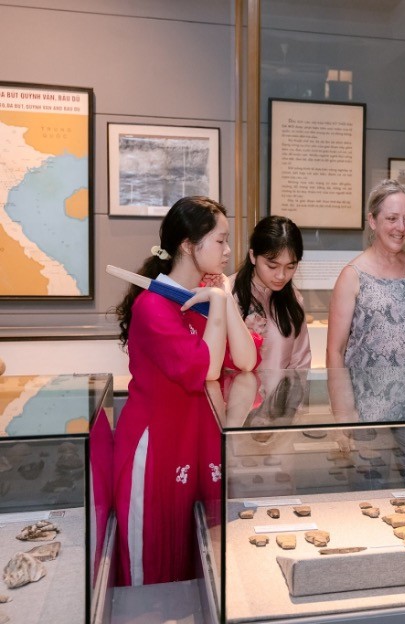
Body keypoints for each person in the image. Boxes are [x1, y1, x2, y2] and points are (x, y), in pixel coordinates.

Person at [113, 196, 259, 586]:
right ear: (188, 245)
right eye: (220, 241)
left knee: (201, 559)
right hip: (158, 445)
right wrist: (215, 306)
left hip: (196, 438)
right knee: (156, 559)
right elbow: (207, 368)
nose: (228, 252)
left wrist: (224, 299)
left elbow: (246, 361)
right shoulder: (154, 307)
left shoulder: (201, 296)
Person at [326, 179, 405, 487]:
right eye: (391, 218)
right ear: (372, 220)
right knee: (371, 498)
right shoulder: (352, 276)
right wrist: (343, 416)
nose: (400, 227)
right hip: (370, 414)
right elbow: (335, 351)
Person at [231, 215, 311, 370]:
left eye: (290, 267)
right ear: (253, 256)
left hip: (281, 393)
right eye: (272, 266)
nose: (281, 276)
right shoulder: (228, 293)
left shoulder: (293, 300)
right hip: (235, 393)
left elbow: (300, 363)